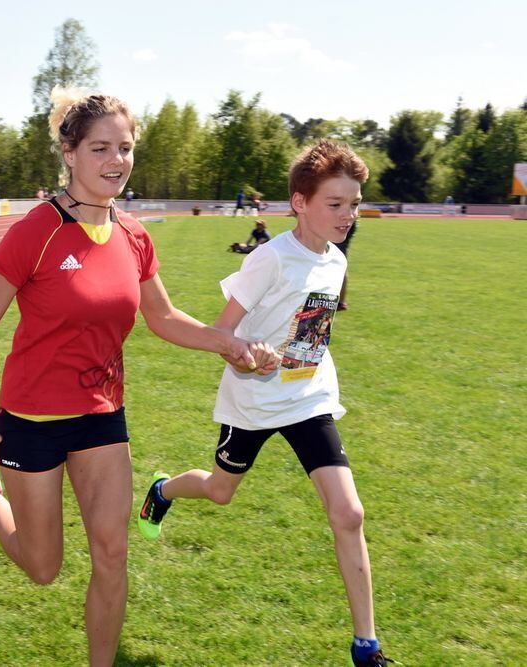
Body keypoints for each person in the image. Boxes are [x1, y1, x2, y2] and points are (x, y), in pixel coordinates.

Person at [0, 87, 275, 667]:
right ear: (69, 153)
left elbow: (163, 316)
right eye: (101, 148)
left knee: (113, 551)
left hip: (102, 415)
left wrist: (228, 343)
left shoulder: (133, 235)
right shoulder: (37, 231)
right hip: (31, 420)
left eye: (124, 148)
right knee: (42, 567)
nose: (116, 161)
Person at [136, 139, 393, 667]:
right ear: (300, 202)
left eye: (353, 203)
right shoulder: (269, 258)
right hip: (253, 402)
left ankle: (367, 646)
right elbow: (222, 334)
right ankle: (162, 489)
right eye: (335, 204)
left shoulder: (336, 259)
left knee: (349, 512)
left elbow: (314, 331)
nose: (348, 215)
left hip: (310, 398)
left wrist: (300, 356)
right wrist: (247, 358)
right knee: (220, 491)